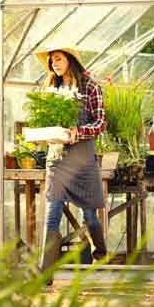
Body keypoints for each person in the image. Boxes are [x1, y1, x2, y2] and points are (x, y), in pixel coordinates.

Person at [33, 45, 107, 273]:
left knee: (89, 216)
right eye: (51, 61)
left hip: (83, 160)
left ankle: (100, 250)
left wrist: (79, 133)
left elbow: (101, 122)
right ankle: (45, 271)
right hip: (57, 158)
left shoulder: (90, 86)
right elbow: (41, 120)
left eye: (58, 59)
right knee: (52, 213)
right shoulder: (49, 89)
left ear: (70, 60)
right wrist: (41, 134)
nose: (54, 64)